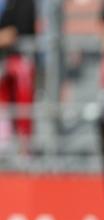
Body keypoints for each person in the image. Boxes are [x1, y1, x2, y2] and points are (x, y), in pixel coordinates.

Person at [0, 0, 36, 155]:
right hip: (5, 60)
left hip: (20, 59)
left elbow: (13, 34)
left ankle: (24, 148)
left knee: (23, 100)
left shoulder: (25, 3)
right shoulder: (6, 4)